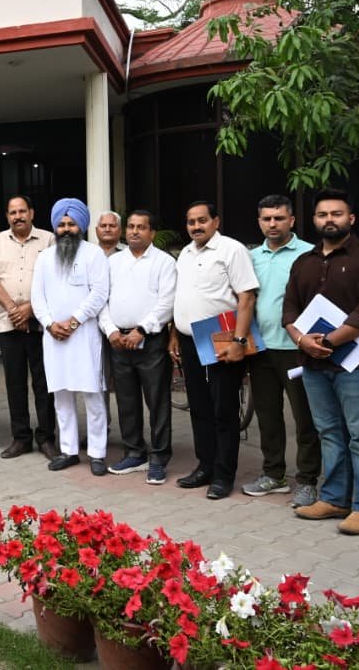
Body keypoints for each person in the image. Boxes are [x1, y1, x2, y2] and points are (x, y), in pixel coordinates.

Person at [283, 188, 359, 535]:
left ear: (351, 218)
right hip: (314, 364)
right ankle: (334, 499)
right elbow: (290, 308)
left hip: (358, 366)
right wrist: (301, 340)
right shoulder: (303, 262)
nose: (329, 219)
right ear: (314, 220)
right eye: (322, 214)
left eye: (336, 213)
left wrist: (330, 341)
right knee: (329, 433)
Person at [168, 200, 259, 500]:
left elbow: (246, 298)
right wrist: (174, 334)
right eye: (191, 222)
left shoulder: (232, 250)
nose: (196, 226)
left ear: (215, 222)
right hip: (189, 340)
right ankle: (205, 466)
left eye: (202, 220)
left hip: (222, 338)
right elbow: (182, 298)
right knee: (199, 407)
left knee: (224, 409)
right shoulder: (185, 253)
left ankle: (223, 475)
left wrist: (239, 342)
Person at [244, 195, 320, 506]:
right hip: (261, 349)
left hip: (297, 348)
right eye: (267, 219)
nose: (272, 224)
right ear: (259, 222)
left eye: (279, 218)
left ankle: (308, 480)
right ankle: (273, 474)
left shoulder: (310, 254)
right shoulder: (251, 257)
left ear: (292, 220)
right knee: (267, 415)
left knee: (304, 417)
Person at [98, 210, 176, 484]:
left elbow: (167, 302)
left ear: (152, 232)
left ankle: (159, 457)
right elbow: (101, 300)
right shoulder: (112, 262)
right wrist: (110, 330)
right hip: (118, 341)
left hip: (150, 342)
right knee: (126, 400)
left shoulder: (164, 262)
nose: (134, 231)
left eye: (141, 227)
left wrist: (141, 330)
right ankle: (134, 453)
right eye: (130, 226)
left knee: (157, 401)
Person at [31, 199, 109, 474]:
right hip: (54, 337)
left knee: (92, 394)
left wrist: (74, 321)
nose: (66, 229)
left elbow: (99, 293)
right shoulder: (44, 257)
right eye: (62, 224)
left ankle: (97, 453)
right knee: (61, 395)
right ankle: (69, 450)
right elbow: (37, 297)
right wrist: (50, 324)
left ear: (81, 226)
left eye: (71, 224)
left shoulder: (94, 254)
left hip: (84, 335)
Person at [0, 195, 59, 460]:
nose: (17, 216)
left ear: (31, 213)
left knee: (44, 383)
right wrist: (12, 308)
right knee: (15, 384)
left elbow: (55, 279)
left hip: (40, 324)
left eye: (22, 211)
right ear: (7, 216)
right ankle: (21, 438)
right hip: (8, 323)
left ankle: (47, 438)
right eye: (12, 212)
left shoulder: (49, 240)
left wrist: (30, 308)